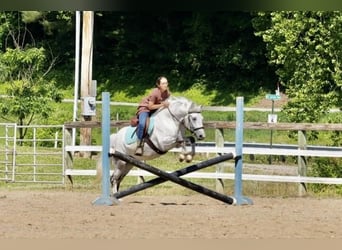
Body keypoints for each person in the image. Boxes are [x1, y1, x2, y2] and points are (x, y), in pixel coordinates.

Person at [135, 76, 171, 156]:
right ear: (158, 85)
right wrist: (162, 105)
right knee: (142, 124)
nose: (166, 85)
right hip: (145, 109)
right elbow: (150, 107)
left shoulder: (167, 92)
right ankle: (139, 145)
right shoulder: (155, 92)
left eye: (166, 83)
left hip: (156, 109)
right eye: (163, 83)